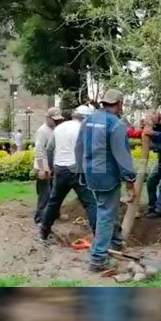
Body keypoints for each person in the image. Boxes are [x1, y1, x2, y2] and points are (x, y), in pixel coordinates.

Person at [40, 105, 123, 249]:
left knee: (54, 202)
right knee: (90, 203)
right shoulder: (83, 129)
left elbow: (49, 149)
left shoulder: (59, 128)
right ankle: (100, 238)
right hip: (76, 170)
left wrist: (52, 167)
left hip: (60, 169)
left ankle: (43, 232)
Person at [75, 89, 137, 272]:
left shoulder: (87, 121)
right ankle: (98, 258)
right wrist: (130, 181)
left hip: (91, 174)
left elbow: (79, 148)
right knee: (106, 214)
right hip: (107, 175)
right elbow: (123, 156)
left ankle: (116, 243)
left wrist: (80, 172)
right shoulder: (116, 125)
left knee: (107, 208)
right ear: (119, 103)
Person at [33, 107, 65, 226]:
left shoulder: (56, 129)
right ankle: (40, 219)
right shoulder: (42, 131)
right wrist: (42, 169)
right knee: (45, 195)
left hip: (53, 167)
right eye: (54, 120)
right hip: (44, 167)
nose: (57, 122)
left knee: (55, 193)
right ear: (48, 118)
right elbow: (39, 150)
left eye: (58, 120)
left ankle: (54, 215)